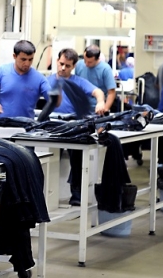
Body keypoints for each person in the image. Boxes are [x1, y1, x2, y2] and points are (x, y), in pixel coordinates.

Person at [47, 48, 105, 206]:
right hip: (51, 126)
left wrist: (100, 102)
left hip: (73, 126)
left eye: (67, 65)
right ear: (57, 62)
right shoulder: (48, 81)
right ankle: (46, 194)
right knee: (47, 159)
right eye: (61, 64)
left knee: (77, 158)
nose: (63, 68)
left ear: (73, 66)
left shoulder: (78, 82)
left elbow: (98, 91)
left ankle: (76, 193)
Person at [0, 40, 51, 118]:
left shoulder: (40, 79)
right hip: (2, 125)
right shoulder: (2, 71)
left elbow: (53, 100)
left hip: (26, 128)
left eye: (30, 59)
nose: (27, 63)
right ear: (14, 56)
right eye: (23, 59)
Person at [75, 45, 117, 113]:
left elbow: (111, 92)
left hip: (97, 109)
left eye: (90, 62)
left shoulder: (105, 69)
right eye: (85, 60)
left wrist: (105, 109)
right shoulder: (79, 65)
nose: (86, 64)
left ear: (97, 59)